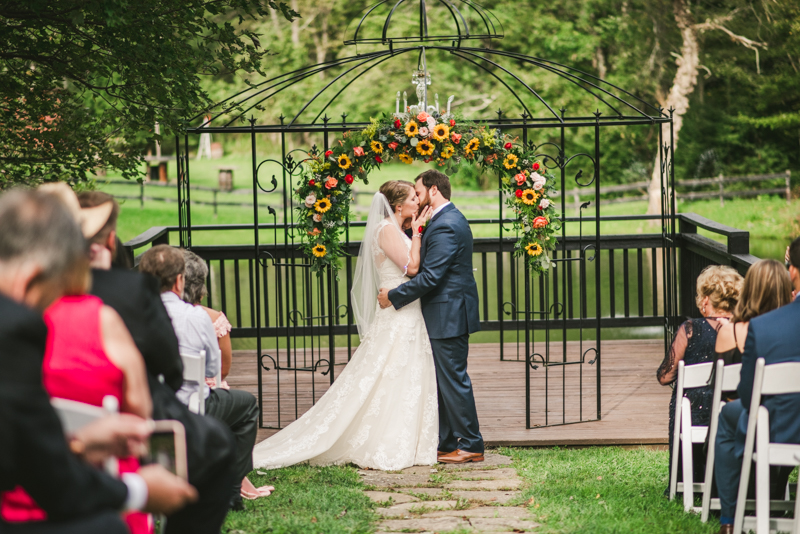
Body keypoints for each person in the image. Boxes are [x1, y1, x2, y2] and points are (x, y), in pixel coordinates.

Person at [0, 188, 196, 533]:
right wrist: (139, 490)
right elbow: (53, 485)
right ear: (31, 277)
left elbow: (20, 448)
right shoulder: (13, 329)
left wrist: (81, 442)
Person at [77, 191, 240, 532]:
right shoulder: (131, 290)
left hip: (57, 423)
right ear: (110, 240)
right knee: (217, 447)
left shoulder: (30, 301)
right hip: (136, 421)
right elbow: (171, 368)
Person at [251, 180, 437, 470]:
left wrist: (414, 233)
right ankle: (378, 440)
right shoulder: (387, 230)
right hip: (397, 313)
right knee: (385, 373)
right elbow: (411, 269)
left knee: (403, 375)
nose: (418, 202)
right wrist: (417, 233)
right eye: (414, 198)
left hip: (408, 311)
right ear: (398, 205)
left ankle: (408, 440)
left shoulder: (395, 228)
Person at [139, 245, 259, 512]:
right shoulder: (196, 316)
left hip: (146, 407)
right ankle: (231, 491)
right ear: (180, 279)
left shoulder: (132, 314)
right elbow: (213, 369)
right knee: (247, 406)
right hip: (192, 406)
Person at [378, 170, 484, 464]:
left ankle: (472, 444)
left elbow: (431, 277)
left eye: (418, 191)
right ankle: (447, 441)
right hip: (443, 313)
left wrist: (394, 296)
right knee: (443, 380)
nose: (416, 196)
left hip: (448, 314)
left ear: (433, 191)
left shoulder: (447, 224)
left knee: (453, 380)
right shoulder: (440, 221)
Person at [714, 239, 800, 534]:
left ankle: (729, 519)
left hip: (778, 425)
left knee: (730, 417)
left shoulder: (765, 327)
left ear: (794, 273)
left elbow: (749, 396)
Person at [181, 249, 272, 500]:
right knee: (240, 404)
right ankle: (237, 478)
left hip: (169, 393)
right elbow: (222, 369)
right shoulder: (213, 319)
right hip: (206, 393)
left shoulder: (157, 314)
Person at [656, 264, 742, 490]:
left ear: (706, 300)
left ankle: (684, 477)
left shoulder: (691, 328)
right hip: (729, 412)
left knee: (682, 396)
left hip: (692, 415)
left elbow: (665, 377)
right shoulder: (743, 329)